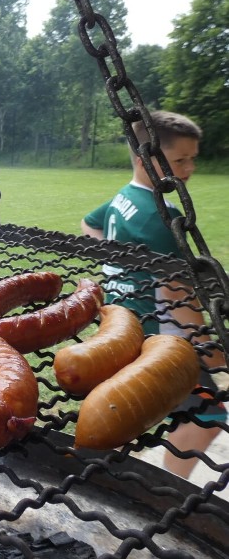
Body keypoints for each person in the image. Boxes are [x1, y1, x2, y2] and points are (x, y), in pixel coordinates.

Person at [80, 111, 226, 479]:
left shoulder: (124, 197)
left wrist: (124, 265)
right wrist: (218, 362)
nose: (191, 167)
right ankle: (173, 486)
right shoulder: (163, 218)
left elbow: (89, 224)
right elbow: (184, 307)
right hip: (160, 343)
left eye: (192, 157)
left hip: (122, 327)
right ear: (147, 156)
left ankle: (95, 478)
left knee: (119, 415)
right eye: (180, 160)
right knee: (208, 415)